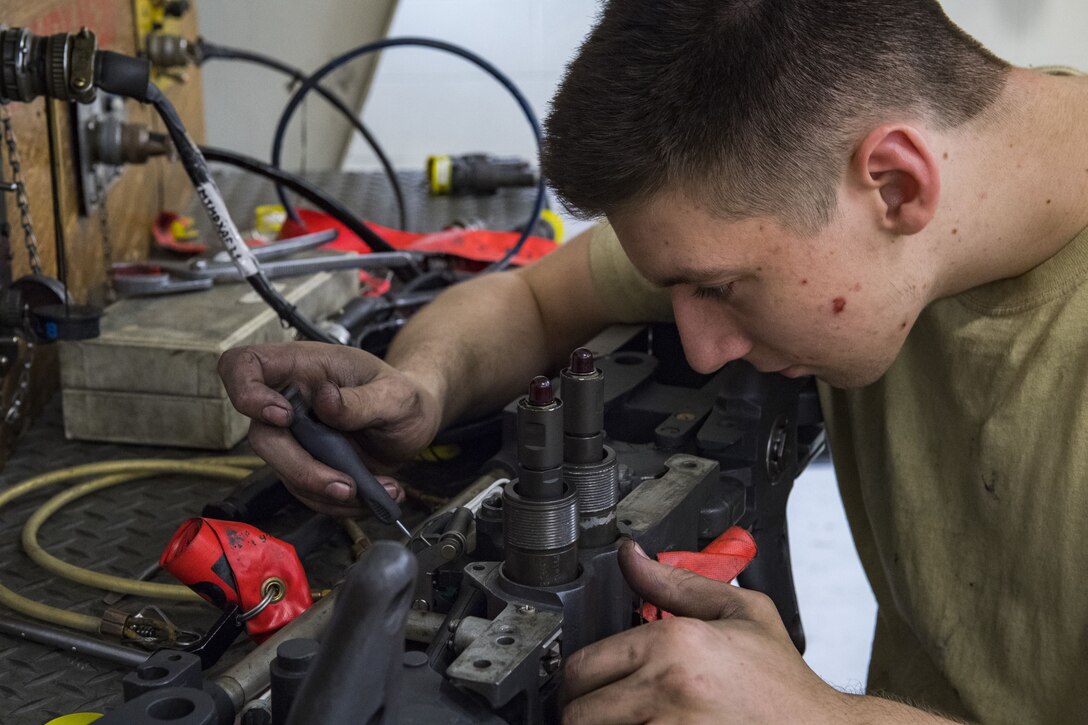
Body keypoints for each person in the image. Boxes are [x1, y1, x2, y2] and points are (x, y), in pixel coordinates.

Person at [219, 0, 1088, 722]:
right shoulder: (938, 169)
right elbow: (532, 299)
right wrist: (424, 386)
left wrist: (824, 714)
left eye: (722, 288)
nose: (703, 345)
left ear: (896, 184)